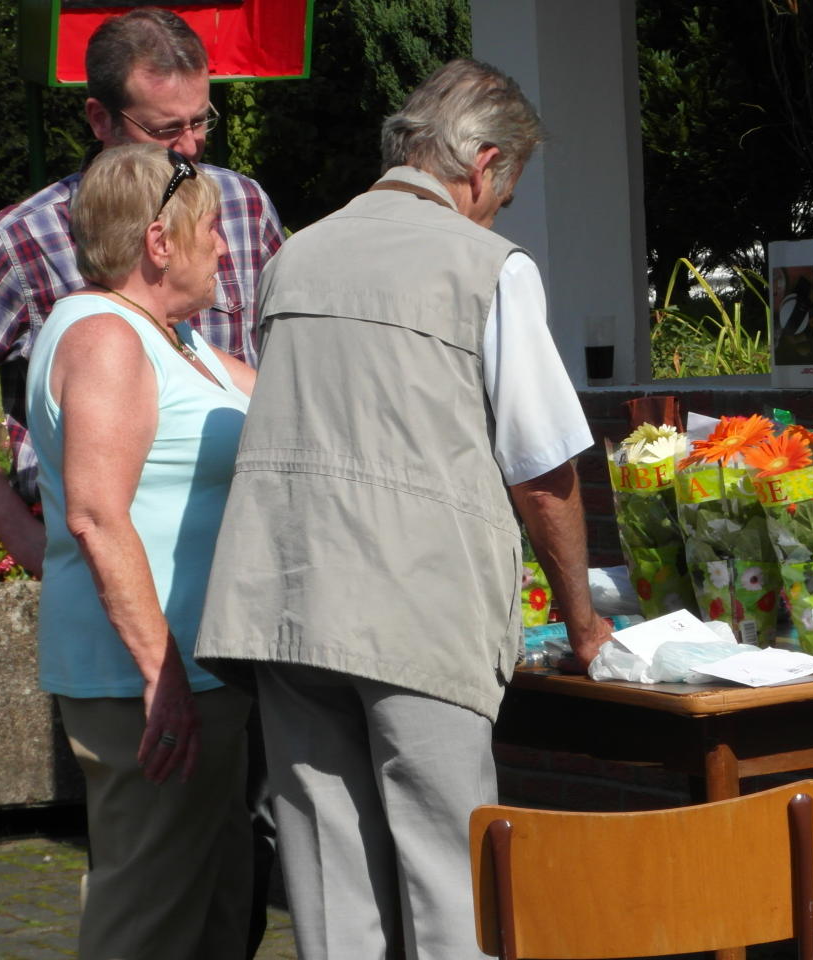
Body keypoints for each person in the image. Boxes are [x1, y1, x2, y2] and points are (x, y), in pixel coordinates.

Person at [195, 58, 613, 960]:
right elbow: (542, 468)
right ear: (484, 164)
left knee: (330, 891)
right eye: (505, 194)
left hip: (286, 603)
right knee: (451, 882)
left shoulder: (297, 253)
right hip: (418, 607)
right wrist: (584, 625)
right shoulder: (487, 266)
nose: (498, 213)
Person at [0, 9, 282, 954]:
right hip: (147, 644)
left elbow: (285, 383)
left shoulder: (224, 232)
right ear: (100, 120)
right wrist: (27, 537)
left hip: (224, 633)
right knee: (150, 905)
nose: (191, 149)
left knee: (219, 896)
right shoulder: (49, 261)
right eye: (165, 131)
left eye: (201, 123)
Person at [26, 142, 255, 959]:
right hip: (150, 688)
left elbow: (287, 402)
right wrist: (163, 676)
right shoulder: (107, 340)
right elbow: (97, 514)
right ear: (159, 241)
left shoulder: (176, 338)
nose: (225, 248)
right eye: (212, 230)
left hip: (196, 675)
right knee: (147, 925)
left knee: (216, 912)